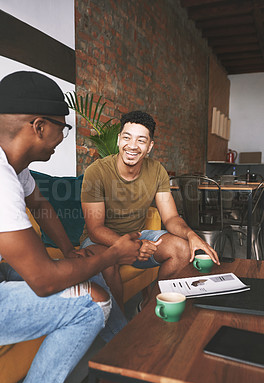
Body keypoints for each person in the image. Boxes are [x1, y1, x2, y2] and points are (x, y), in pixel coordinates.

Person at [0, 71, 141, 383]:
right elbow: (45, 281)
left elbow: (41, 204)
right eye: (63, 127)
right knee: (93, 302)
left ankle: (128, 357)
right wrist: (113, 255)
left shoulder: (14, 169)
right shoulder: (1, 180)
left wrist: (68, 250)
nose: (64, 136)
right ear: (39, 126)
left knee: (85, 266)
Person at [80, 110, 220, 308]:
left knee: (181, 249)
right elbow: (95, 230)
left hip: (138, 236)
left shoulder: (156, 170)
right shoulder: (97, 171)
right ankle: (120, 329)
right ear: (119, 140)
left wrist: (191, 235)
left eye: (141, 140)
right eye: (127, 137)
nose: (132, 146)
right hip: (99, 241)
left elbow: (170, 217)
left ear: (150, 147)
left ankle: (148, 308)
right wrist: (134, 246)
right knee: (107, 262)